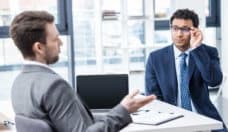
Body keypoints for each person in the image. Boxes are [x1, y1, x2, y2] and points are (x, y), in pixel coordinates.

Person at [10, 11, 156, 132]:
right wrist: (123, 110)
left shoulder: (19, 83)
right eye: (55, 39)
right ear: (39, 48)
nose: (61, 43)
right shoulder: (54, 85)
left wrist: (114, 113)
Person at [145, 9, 227, 132]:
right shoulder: (155, 58)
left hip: (204, 118)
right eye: (175, 28)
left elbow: (214, 81)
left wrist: (197, 48)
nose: (179, 34)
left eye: (185, 29)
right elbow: (153, 97)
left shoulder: (208, 52)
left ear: (195, 30)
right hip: (171, 121)